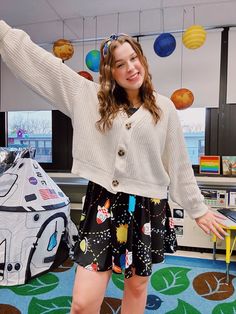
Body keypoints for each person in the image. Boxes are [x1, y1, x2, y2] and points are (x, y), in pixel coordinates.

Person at [0, 20, 227, 314]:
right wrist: (4, 33)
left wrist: (198, 209)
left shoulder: (165, 107)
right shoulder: (90, 97)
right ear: (111, 72)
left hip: (147, 205)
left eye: (134, 58)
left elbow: (179, 163)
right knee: (82, 303)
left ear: (142, 60)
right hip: (103, 203)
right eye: (120, 64)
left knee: (136, 287)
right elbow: (43, 66)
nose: (131, 68)